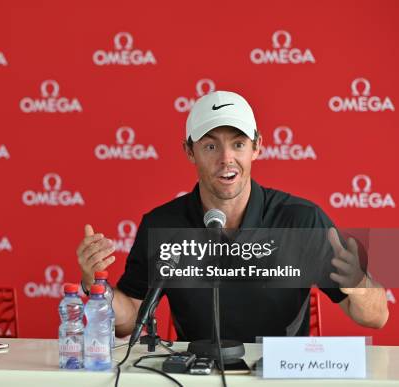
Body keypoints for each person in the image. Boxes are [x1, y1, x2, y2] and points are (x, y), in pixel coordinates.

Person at [76, 91, 388, 343]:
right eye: (211, 146)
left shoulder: (300, 220)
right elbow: (128, 320)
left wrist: (357, 283)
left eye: (238, 144)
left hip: (280, 376)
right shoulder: (163, 225)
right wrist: (95, 284)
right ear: (189, 151)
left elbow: (376, 317)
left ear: (257, 147)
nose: (226, 159)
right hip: (197, 376)